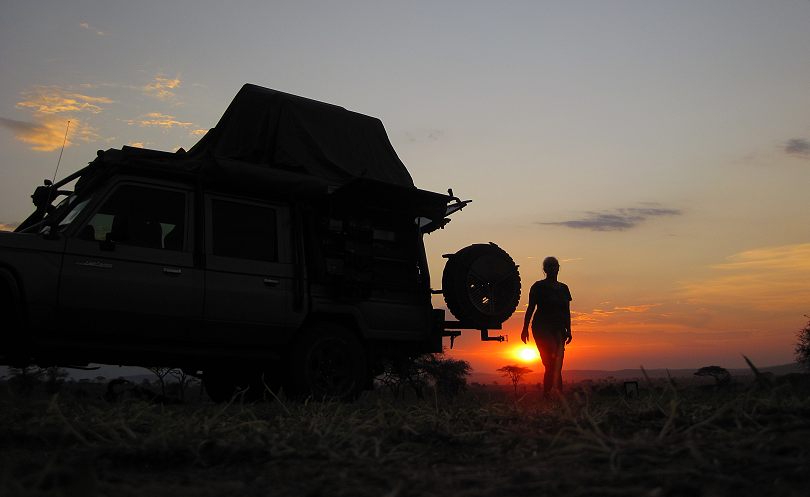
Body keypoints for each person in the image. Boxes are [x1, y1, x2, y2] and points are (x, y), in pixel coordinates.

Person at [521, 256, 572, 397]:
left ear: (558, 268)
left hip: (559, 328)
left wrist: (569, 330)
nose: (552, 268)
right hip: (541, 327)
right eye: (549, 266)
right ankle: (549, 394)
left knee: (557, 363)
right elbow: (531, 307)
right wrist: (525, 328)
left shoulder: (564, 288)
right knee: (551, 361)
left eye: (554, 265)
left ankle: (554, 395)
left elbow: (567, 311)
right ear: (544, 269)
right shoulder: (538, 287)